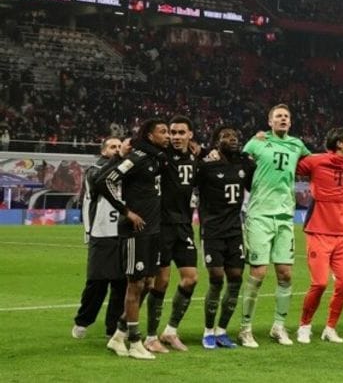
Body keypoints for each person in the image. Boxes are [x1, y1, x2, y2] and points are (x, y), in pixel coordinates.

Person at [239, 104, 312, 347]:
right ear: (269, 121)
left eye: (286, 117)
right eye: (278, 116)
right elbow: (238, 163)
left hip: (285, 216)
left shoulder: (297, 145)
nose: (283, 119)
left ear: (290, 122)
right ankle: (245, 328)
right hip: (259, 214)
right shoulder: (256, 142)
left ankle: (278, 326)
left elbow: (314, 164)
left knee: (285, 273)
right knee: (258, 273)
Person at [99, 119, 170, 360]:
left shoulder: (157, 158)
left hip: (153, 230)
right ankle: (135, 341)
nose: (167, 136)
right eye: (163, 132)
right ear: (150, 135)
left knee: (148, 283)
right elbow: (105, 180)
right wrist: (126, 211)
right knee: (135, 285)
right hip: (135, 232)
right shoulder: (137, 158)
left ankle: (119, 335)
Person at [295, 127, 343, 344]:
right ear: (340, 144)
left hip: (342, 233)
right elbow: (289, 165)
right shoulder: (315, 161)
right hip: (318, 231)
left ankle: (330, 328)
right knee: (320, 283)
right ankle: (304, 326)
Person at [145, 116, 200, 353]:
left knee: (191, 278)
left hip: (184, 226)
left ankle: (170, 331)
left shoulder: (196, 158)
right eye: (172, 132)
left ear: (190, 135)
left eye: (180, 133)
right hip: (163, 226)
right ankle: (150, 337)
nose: (175, 137)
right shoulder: (162, 155)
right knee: (162, 281)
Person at [195, 126, 254, 349]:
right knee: (216, 278)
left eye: (235, 136)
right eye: (226, 137)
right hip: (212, 231)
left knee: (236, 278)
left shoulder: (243, 164)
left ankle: (221, 330)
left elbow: (257, 175)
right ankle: (208, 330)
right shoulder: (206, 166)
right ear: (216, 142)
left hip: (234, 231)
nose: (232, 139)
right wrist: (203, 153)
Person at [72, 137, 127, 341]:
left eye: (120, 146)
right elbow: (99, 183)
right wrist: (88, 232)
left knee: (121, 284)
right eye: (113, 147)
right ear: (104, 151)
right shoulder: (95, 170)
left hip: (123, 232)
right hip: (101, 232)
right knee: (97, 282)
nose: (117, 149)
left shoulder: (127, 169)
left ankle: (113, 328)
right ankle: (83, 321)